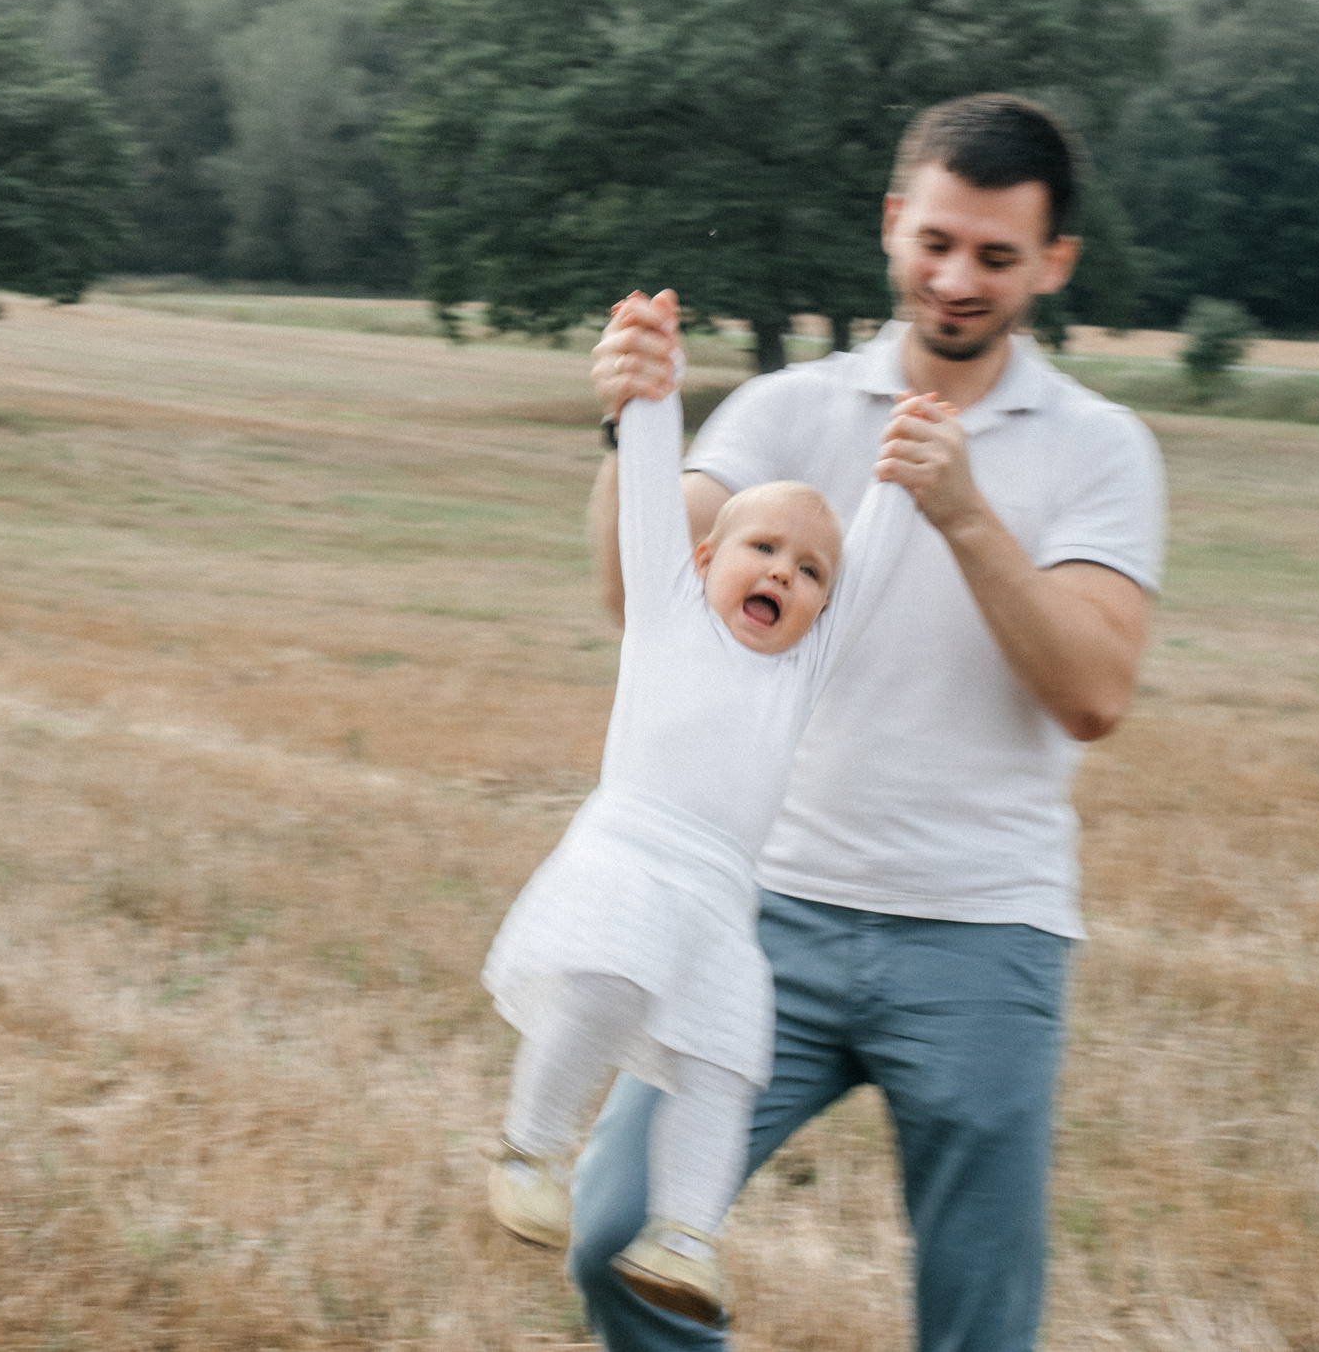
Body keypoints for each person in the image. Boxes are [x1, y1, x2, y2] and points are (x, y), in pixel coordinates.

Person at [568, 94, 1166, 1350]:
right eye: (936, 240)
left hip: (982, 938)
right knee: (615, 1236)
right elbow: (639, 595)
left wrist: (961, 510)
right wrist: (630, 426)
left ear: (1052, 262)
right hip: (762, 914)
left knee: (976, 1327)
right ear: (895, 225)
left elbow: (1092, 692)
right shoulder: (784, 412)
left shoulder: (1100, 448)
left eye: (996, 255)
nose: (956, 278)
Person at [483, 310, 930, 1327]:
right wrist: (652, 385)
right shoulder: (666, 606)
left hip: (719, 903)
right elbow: (650, 488)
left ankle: (683, 1234)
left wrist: (900, 466)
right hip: (632, 854)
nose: (783, 570)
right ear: (701, 559)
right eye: (763, 548)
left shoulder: (805, 664)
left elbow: (876, 555)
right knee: (598, 990)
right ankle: (530, 1147)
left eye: (810, 568)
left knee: (722, 1067)